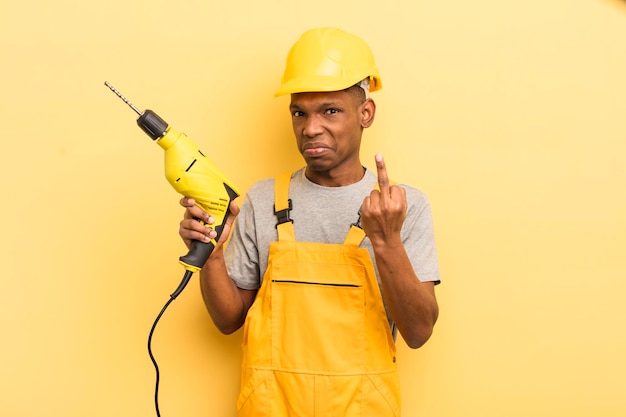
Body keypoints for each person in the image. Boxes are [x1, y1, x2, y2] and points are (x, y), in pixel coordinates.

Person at [178, 27, 440, 417]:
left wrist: (386, 241)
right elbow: (229, 319)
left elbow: (418, 332)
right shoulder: (263, 199)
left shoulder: (401, 207)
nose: (310, 127)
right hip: (271, 407)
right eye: (299, 112)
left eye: (330, 111)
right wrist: (211, 256)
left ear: (365, 113)